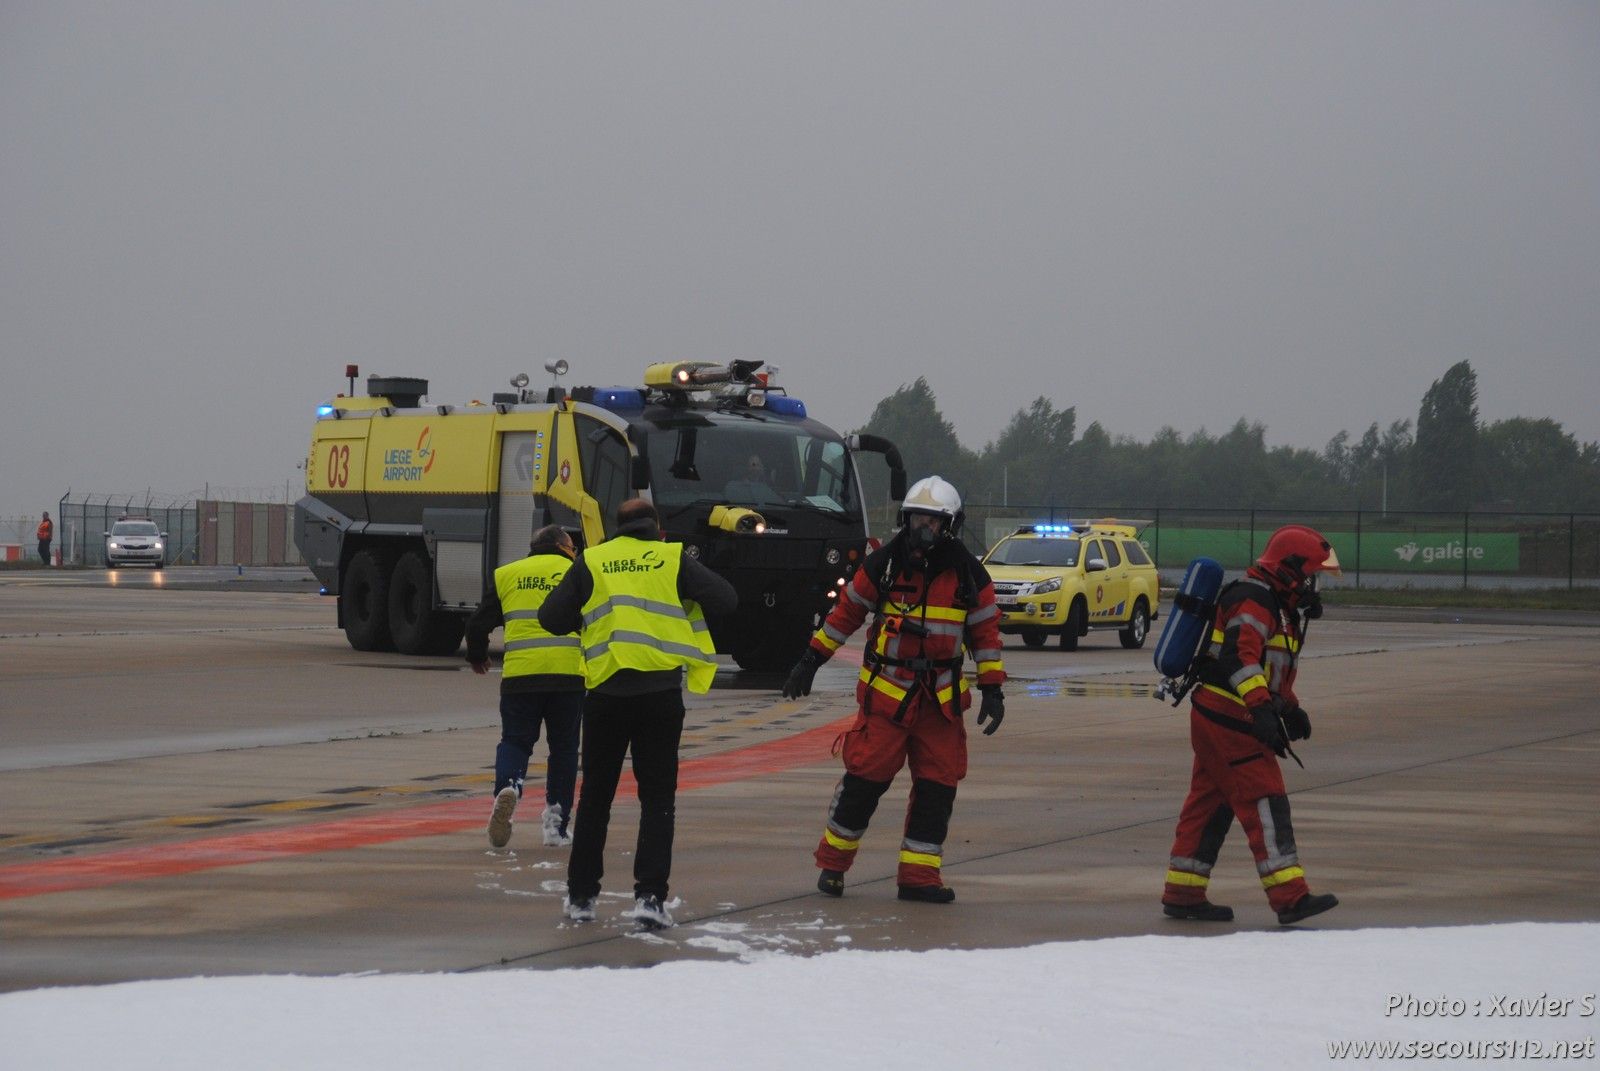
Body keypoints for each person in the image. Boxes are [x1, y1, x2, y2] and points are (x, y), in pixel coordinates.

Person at [781, 475, 1006, 904]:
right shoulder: (882, 565)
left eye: (932, 521)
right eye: (917, 518)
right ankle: (833, 866)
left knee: (938, 788)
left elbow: (986, 634)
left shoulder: (968, 574)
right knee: (863, 781)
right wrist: (811, 660)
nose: (923, 529)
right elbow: (845, 614)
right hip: (888, 696)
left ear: (950, 526)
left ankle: (919, 879)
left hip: (939, 703)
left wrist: (993, 688)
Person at [538, 498, 737, 929]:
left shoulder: (594, 559)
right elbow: (726, 599)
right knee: (658, 801)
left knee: (595, 799)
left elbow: (550, 617)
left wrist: (588, 620)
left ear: (618, 527)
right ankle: (649, 899)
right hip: (660, 697)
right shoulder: (671, 557)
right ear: (656, 528)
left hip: (606, 694)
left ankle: (581, 897)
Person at [1160, 524, 1342, 926]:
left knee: (1211, 802)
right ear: (1290, 570)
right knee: (1265, 799)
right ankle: (1290, 897)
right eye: (1310, 577)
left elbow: (1267, 668)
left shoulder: (1274, 605)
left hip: (1220, 713)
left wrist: (1287, 707)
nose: (1313, 587)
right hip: (1230, 717)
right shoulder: (1255, 600)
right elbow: (1241, 659)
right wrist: (1261, 710)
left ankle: (1184, 892)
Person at [465, 525, 584, 850]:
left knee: (515, 741)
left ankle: (509, 786)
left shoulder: (508, 574)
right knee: (563, 749)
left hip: (521, 677)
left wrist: (478, 655)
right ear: (562, 546)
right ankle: (555, 827)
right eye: (571, 546)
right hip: (568, 675)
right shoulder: (578, 572)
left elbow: (477, 623)